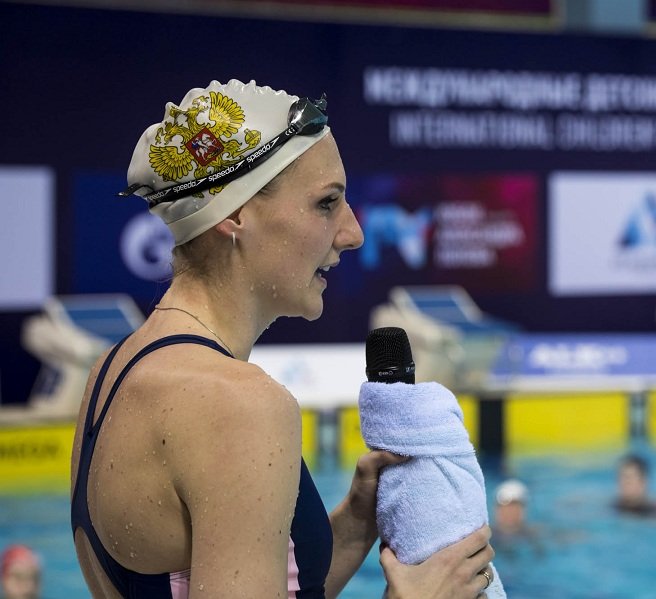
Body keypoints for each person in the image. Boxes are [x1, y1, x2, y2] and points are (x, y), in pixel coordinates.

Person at [70, 79, 494, 598]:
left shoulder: (114, 371)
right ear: (235, 215)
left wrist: (354, 523)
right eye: (327, 203)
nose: (354, 233)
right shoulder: (237, 403)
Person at [612, 453, 656, 517]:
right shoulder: (613, 508)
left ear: (644, 482)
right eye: (621, 477)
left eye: (629, 477)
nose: (624, 483)